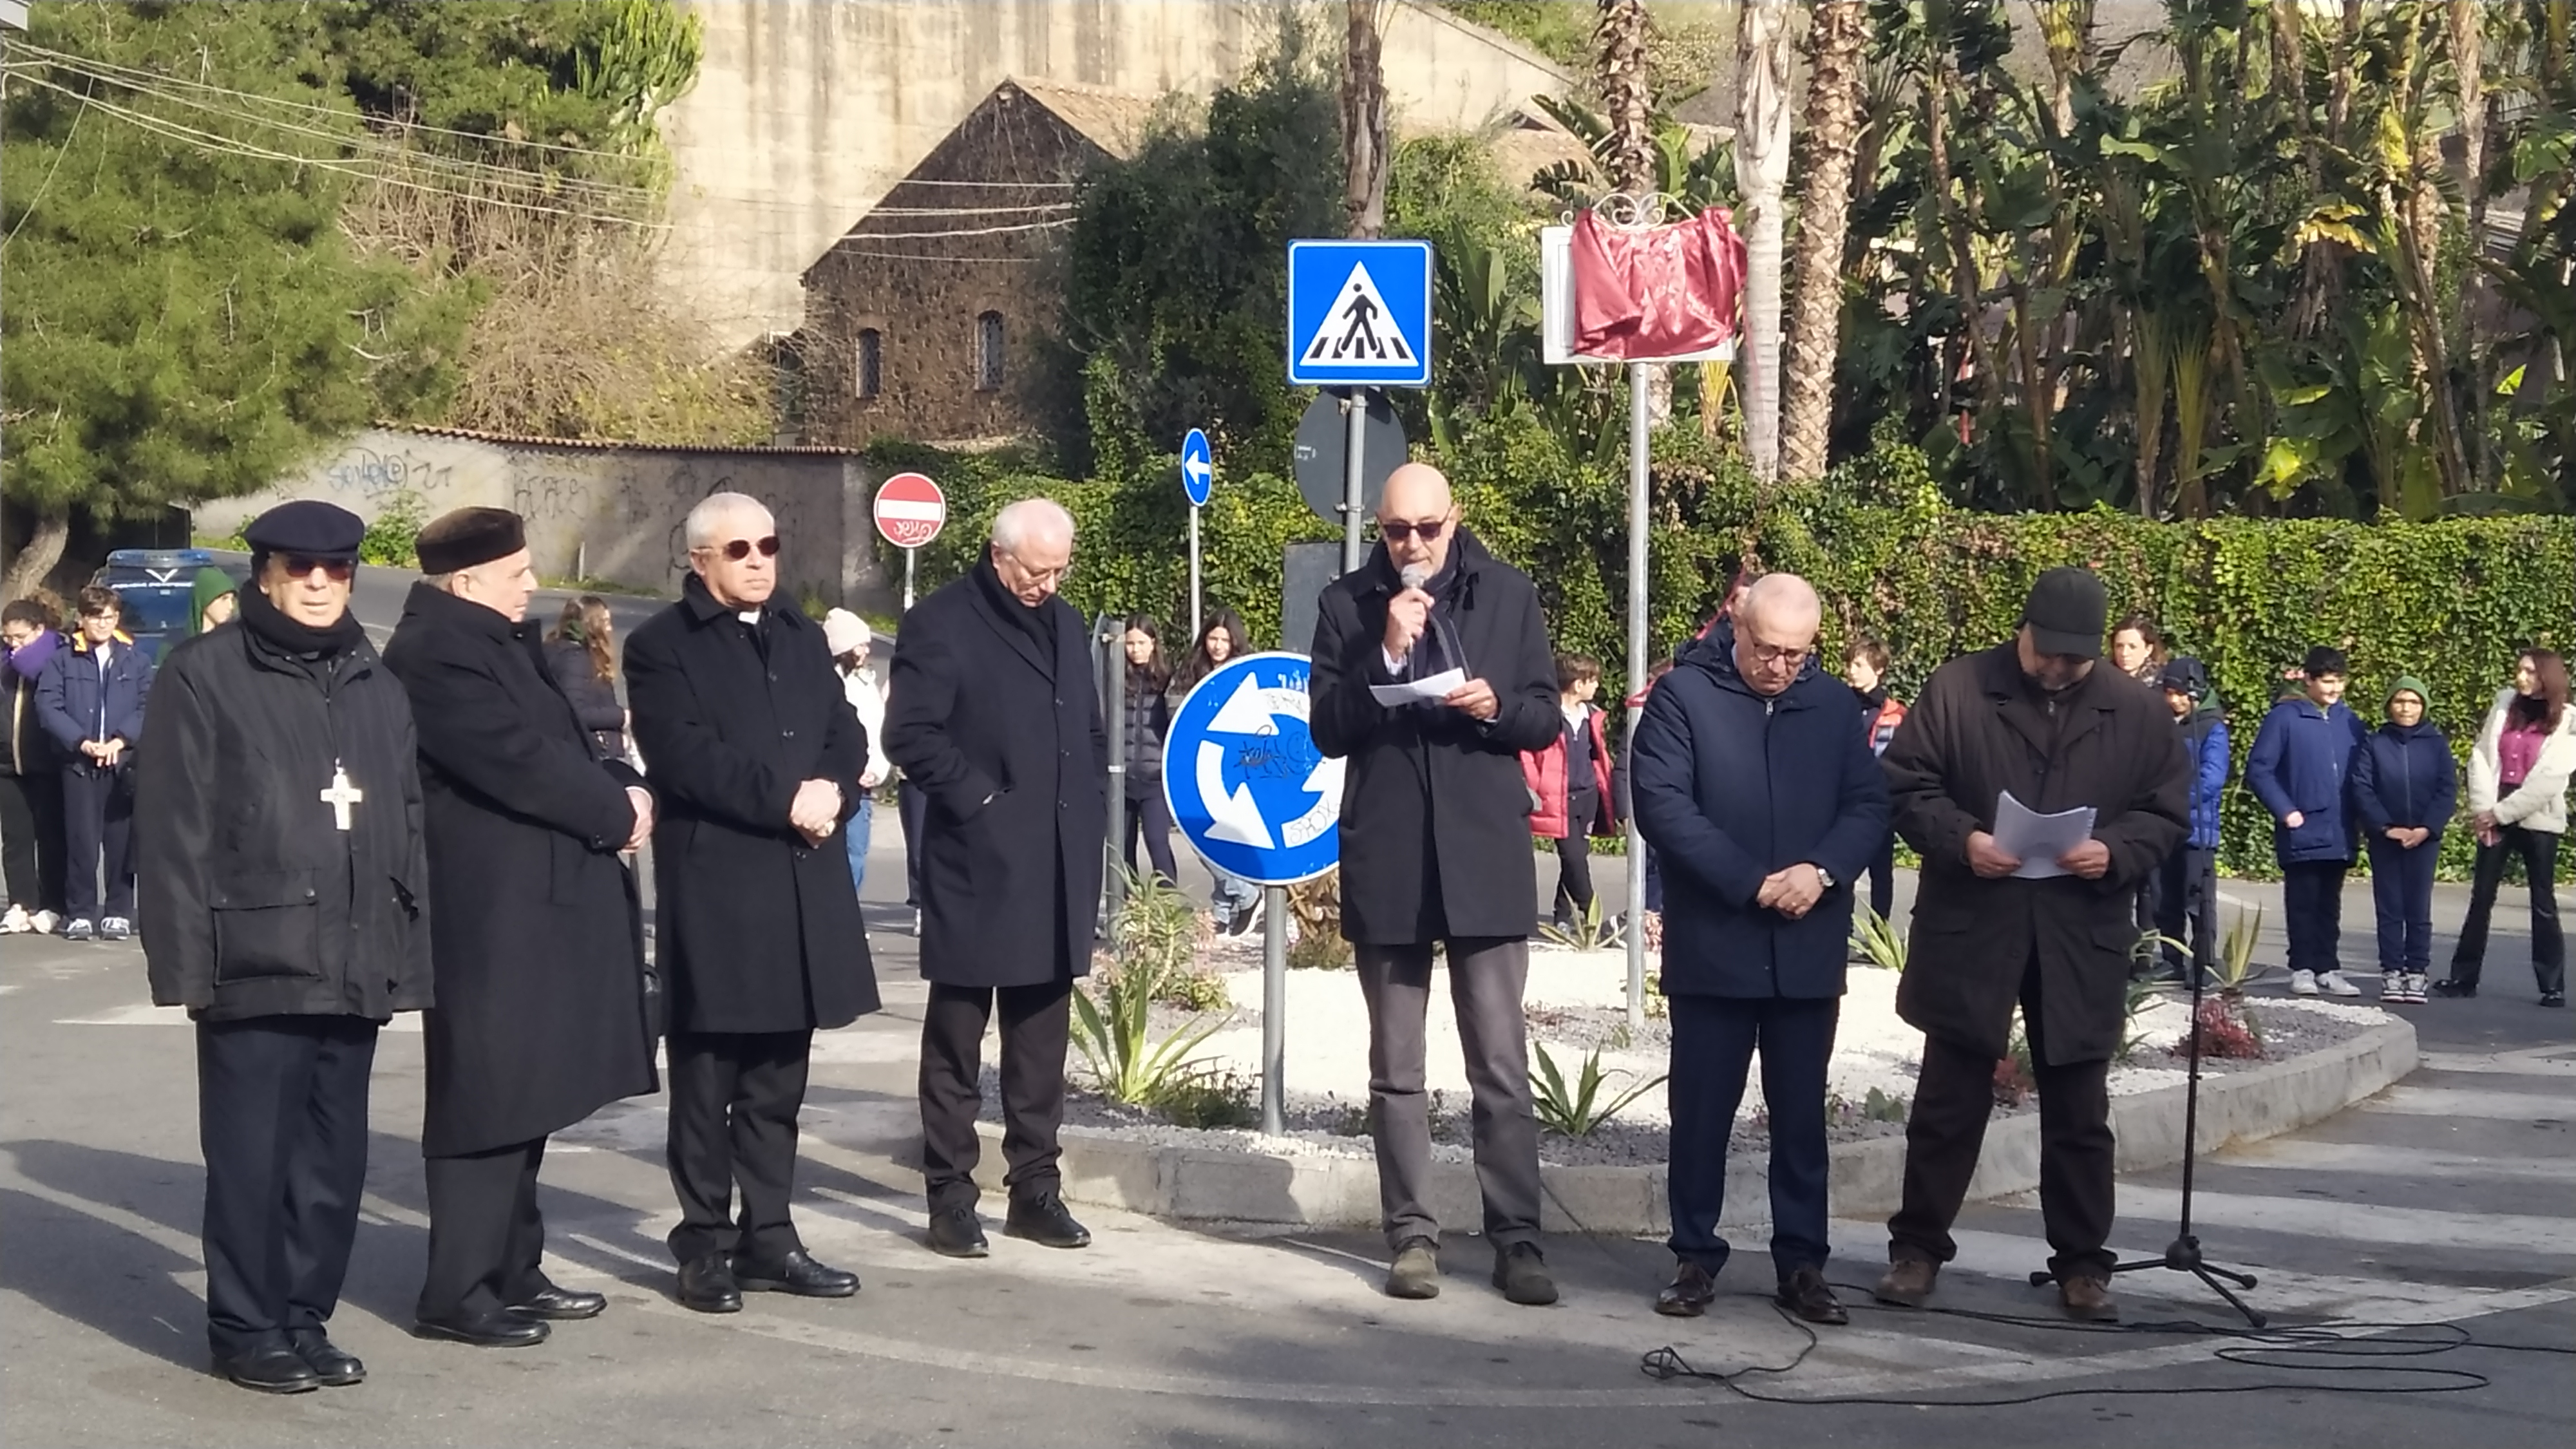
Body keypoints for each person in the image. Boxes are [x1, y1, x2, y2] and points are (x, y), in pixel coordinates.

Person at [135, 500, 432, 1394]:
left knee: (332, 1164)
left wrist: (405, 952)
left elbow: (406, 823)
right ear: (263, 569)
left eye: (336, 569)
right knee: (253, 1162)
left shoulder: (376, 682)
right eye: (300, 567)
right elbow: (175, 832)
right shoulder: (203, 675)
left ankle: (304, 1315)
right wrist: (187, 969)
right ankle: (245, 1325)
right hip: (253, 959)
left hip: (355, 956)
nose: (318, 583)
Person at [1873, 567, 2188, 1323]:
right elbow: (1904, 786)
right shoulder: (1955, 690)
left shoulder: (2137, 713)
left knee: (2079, 1109)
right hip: (1974, 922)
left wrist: (2114, 850)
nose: (2056, 669)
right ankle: (1916, 1251)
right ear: (2022, 632)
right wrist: (1963, 839)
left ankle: (2083, 1266)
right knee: (1947, 1100)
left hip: (2080, 932)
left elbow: (2167, 812)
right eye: (2046, 653)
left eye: (2074, 661)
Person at [384, 508, 661, 1349]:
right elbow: (511, 759)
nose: (532, 584)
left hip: (537, 903)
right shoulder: (434, 653)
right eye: (517, 572)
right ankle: (457, 1287)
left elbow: (568, 743)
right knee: (486, 1094)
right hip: (488, 910)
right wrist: (615, 811)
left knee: (528, 1089)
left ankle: (513, 1266)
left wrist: (623, 782)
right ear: (465, 581)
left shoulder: (499, 640)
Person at [1309, 462, 1561, 1307]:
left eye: (1427, 528)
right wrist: (1384, 652)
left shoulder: (1509, 593)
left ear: (1455, 520)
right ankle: (1412, 1236)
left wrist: (1495, 708)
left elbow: (1543, 712)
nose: (1413, 545)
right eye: (1395, 531)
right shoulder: (1346, 604)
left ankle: (1518, 1239)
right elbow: (1326, 727)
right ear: (1378, 529)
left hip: (1483, 853)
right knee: (1397, 1068)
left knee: (1499, 1060)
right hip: (1390, 856)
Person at [625, 491, 881, 1313]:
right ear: (700, 559)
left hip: (802, 882)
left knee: (778, 1081)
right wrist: (788, 800)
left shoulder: (799, 635)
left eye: (769, 544)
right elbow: (685, 758)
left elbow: (845, 731)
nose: (760, 560)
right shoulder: (661, 646)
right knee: (709, 1080)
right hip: (722, 886)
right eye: (740, 549)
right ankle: (704, 1242)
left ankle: (770, 1234)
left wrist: (833, 790)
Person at [1631, 575, 1889, 1327]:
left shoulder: (1836, 706)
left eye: (1795, 655)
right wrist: (1751, 883)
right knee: (1702, 1113)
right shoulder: (1683, 697)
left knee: (1802, 1118)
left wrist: (1822, 871)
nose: (1779, 666)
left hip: (1806, 948)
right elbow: (1663, 806)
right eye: (1767, 649)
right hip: (1717, 943)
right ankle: (1693, 1257)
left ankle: (1803, 1265)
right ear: (1736, 628)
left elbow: (1868, 804)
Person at [884, 498, 1108, 1259]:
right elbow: (910, 733)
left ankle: (1034, 1190)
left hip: (1057, 862)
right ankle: (950, 1194)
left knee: (1041, 1043)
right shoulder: (942, 622)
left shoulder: (1070, 624)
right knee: (957, 1038)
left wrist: (1088, 822)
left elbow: (1087, 727)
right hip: (978, 864)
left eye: (1059, 569)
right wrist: (981, 799)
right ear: (998, 555)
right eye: (1037, 570)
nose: (1049, 582)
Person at [2438, 649, 2573, 1006]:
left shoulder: (2568, 720)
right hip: (2496, 806)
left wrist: (2500, 814)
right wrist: (2484, 809)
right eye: (2520, 670)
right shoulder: (2504, 705)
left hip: (2537, 815)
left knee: (2542, 900)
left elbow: (2551, 779)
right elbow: (2482, 756)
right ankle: (2463, 977)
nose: (2521, 677)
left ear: (2548, 676)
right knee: (2481, 896)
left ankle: (2552, 984)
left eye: (2530, 671)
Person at [2244, 647, 2369, 997]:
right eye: (2327, 682)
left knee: (2330, 904)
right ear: (2309, 680)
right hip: (2301, 829)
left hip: (2341, 829)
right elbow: (2260, 769)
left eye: (2339, 682)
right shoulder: (2284, 718)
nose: (2334, 690)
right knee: (2303, 901)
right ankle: (2301, 968)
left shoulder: (2351, 721)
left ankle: (2328, 968)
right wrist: (2286, 810)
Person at [36, 585, 152, 941]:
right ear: (82, 619)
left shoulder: (136, 659)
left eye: (110, 617)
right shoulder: (62, 660)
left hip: (121, 764)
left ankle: (118, 911)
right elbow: (48, 706)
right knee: (81, 841)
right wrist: (81, 742)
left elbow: (148, 705)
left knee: (120, 843)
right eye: (96, 617)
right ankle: (81, 911)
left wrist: (121, 740)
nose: (103, 624)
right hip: (78, 763)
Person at [2349, 676, 2456, 1007]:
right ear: (2389, 705)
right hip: (2386, 839)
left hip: (2424, 839)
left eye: (2413, 702)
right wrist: (2384, 827)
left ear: (2423, 707)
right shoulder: (2374, 743)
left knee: (2418, 908)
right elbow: (2362, 787)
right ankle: (2392, 970)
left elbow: (2446, 790)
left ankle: (2417, 971)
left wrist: (2426, 828)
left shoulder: (2436, 744)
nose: (2406, 708)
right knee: (2390, 907)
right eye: (2400, 701)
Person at [1177, 608, 1262, 934]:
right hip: (1198, 766)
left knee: (1218, 838)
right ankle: (1234, 903)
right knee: (1203, 837)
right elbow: (1178, 712)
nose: (1217, 645)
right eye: (1213, 638)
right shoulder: (1191, 672)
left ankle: (1231, 904)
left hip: (1236, 767)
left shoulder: (1244, 674)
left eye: (1224, 640)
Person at [2148, 658, 2230, 985]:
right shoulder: (2158, 724)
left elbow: (2211, 778)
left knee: (2199, 899)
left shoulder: (2212, 727)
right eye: (2168, 692)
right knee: (2163, 898)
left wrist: (2174, 799)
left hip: (2198, 830)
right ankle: (2171, 960)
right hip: (2163, 828)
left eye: (2180, 693)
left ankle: (2203, 962)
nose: (2174, 700)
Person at [1523, 652, 1615, 933]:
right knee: (1573, 858)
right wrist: (1536, 785)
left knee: (1576, 859)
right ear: (1577, 684)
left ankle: (1562, 915)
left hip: (1587, 795)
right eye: (1593, 681)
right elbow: (1529, 754)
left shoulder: (1591, 716)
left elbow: (1596, 754)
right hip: (1559, 798)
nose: (1597, 686)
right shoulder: (1549, 716)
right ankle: (1593, 913)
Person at [1, 599, 69, 934]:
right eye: (8, 638)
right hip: (6, 761)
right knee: (15, 837)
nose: (13, 645)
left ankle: (54, 902)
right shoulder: (4, 663)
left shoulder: (58, 657)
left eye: (20, 637)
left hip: (46, 761)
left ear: (39, 630)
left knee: (51, 836)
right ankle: (21, 902)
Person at [822, 609, 891, 901]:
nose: (867, 650)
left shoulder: (866, 685)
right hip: (828, 786)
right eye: (861, 644)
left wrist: (876, 769)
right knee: (828, 853)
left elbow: (878, 730)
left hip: (861, 788)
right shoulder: (825, 684)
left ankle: (846, 911)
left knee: (856, 852)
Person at [1843, 635, 1908, 927]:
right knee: (1842, 869)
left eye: (1858, 664)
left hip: (1881, 803)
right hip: (1844, 801)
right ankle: (1840, 930)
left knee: (1881, 872)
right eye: (1849, 664)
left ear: (1878, 669)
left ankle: (1880, 934)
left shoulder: (1897, 715)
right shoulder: (1839, 706)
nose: (1851, 670)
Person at [1116, 614, 1177, 886]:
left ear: (1153, 643)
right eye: (1130, 644)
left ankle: (1169, 905)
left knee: (1157, 842)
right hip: (1123, 777)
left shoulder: (1168, 680)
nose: (1136, 650)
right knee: (1122, 848)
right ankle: (1129, 907)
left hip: (1155, 778)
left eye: (1141, 643)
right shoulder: (1115, 678)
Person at [544, 595, 628, 761]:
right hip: (592, 754)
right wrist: (623, 717)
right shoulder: (574, 658)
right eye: (605, 621)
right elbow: (576, 711)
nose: (610, 629)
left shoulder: (555, 649)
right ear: (592, 625)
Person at [2108, 614, 2166, 685]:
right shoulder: (2102, 679)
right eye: (2119, 646)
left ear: (2148, 650)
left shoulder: (2163, 683)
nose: (2124, 653)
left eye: (2132, 647)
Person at [192, 567, 238, 635]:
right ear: (206, 600)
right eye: (224, 599)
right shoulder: (184, 643)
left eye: (232, 600)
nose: (231, 607)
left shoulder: (235, 641)